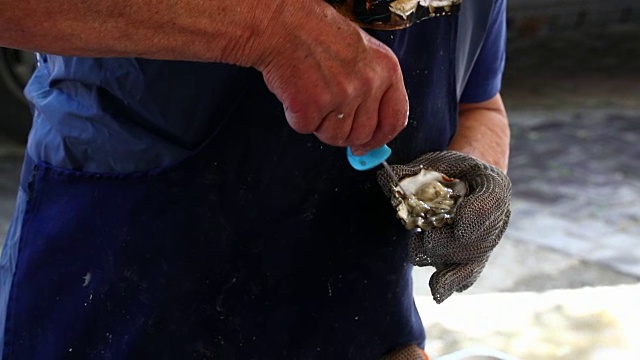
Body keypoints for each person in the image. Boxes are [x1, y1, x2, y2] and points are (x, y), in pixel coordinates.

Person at [0, 0, 510, 358]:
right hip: (117, 305)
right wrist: (267, 27)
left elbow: (481, 106)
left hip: (362, 328)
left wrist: (469, 180)